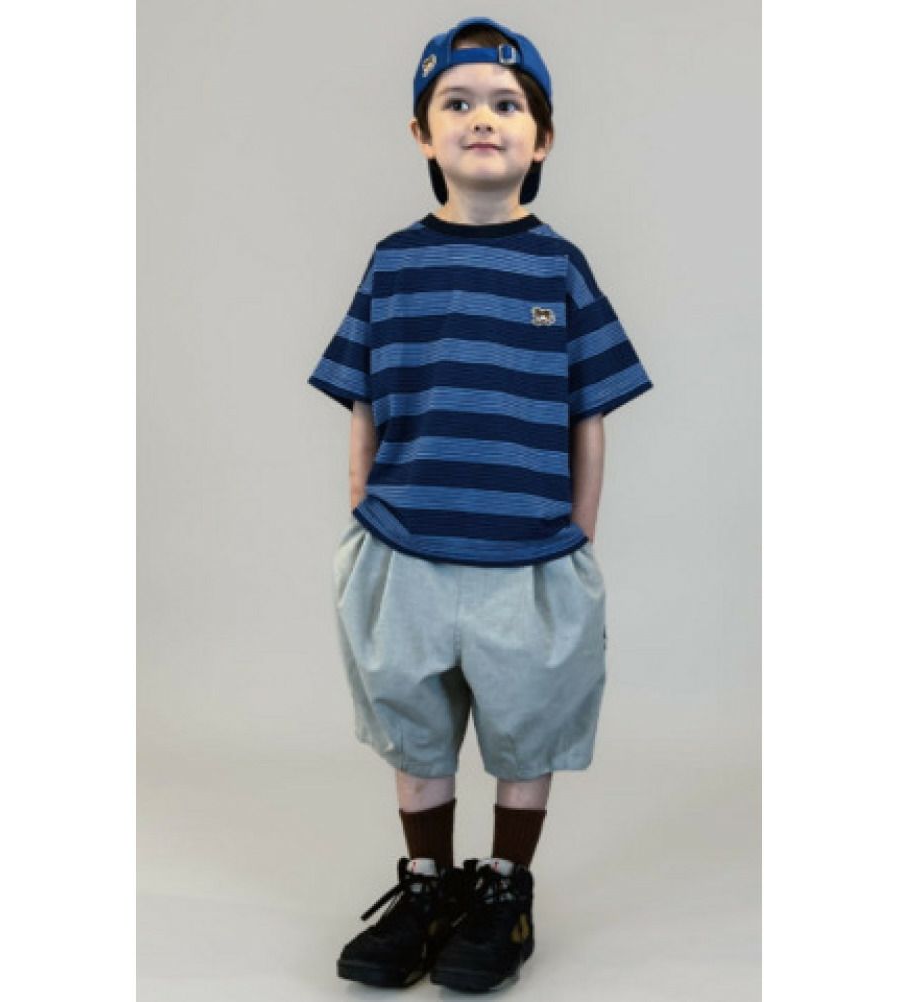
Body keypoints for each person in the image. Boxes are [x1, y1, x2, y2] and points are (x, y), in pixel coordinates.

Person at [307, 15, 654, 992]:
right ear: (423, 134)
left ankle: (504, 890)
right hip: (405, 551)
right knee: (413, 725)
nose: (483, 119)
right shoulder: (393, 263)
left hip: (529, 557)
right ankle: (428, 885)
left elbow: (590, 413)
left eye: (507, 105)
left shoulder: (559, 268)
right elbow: (362, 400)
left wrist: (577, 536)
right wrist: (362, 515)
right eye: (457, 103)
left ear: (542, 140)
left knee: (524, 726)